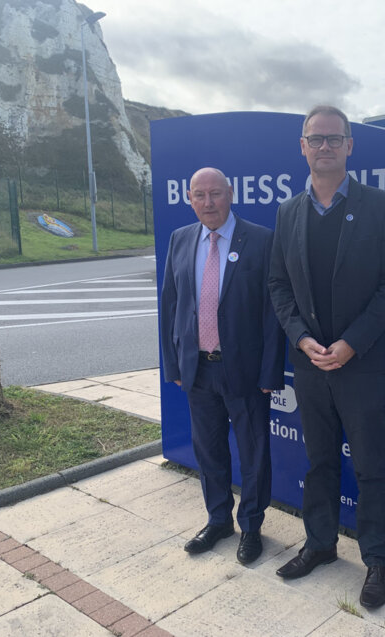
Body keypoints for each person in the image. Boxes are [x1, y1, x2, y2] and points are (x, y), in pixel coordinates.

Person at [268, 106, 385, 608]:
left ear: (350, 145)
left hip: (363, 363)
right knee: (320, 462)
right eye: (316, 139)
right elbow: (278, 285)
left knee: (370, 466)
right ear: (302, 147)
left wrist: (352, 342)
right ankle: (320, 545)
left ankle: (377, 561)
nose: (324, 146)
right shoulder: (288, 212)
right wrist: (301, 338)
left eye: (334, 138)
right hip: (310, 364)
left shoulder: (382, 207)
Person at [160, 166, 284, 565]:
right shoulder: (180, 239)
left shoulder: (261, 240)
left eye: (215, 193)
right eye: (200, 195)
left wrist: (270, 371)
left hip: (244, 371)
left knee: (253, 454)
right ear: (189, 199)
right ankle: (218, 521)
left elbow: (273, 313)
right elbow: (170, 305)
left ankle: (251, 527)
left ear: (231, 194)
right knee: (208, 451)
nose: (208, 202)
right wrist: (172, 364)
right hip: (197, 369)